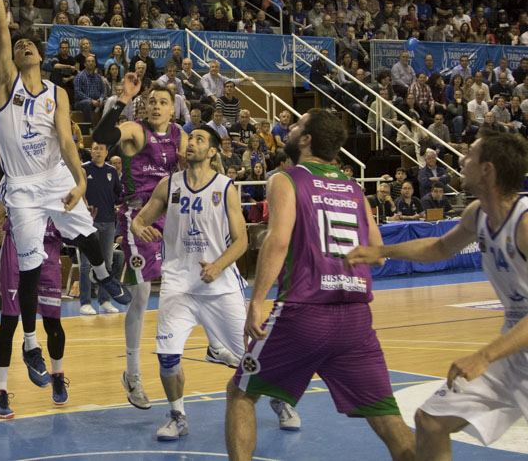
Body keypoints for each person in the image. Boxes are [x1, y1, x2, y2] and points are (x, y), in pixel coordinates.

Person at [0, 0, 128, 392]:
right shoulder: (6, 85)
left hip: (54, 175)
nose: (23, 45)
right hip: (22, 186)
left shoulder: (57, 93)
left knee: (88, 235)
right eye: (18, 44)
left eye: (30, 44)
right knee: (28, 270)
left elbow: (65, 140)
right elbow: (0, 26)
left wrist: (79, 180)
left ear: (41, 56)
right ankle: (29, 344)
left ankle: (103, 276)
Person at [225, 109, 415, 461]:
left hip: (305, 312)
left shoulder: (287, 179)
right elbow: (377, 253)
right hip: (355, 319)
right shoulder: (353, 188)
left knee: (241, 394)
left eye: (296, 125)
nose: (289, 128)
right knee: (389, 419)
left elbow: (278, 241)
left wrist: (256, 301)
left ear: (307, 139)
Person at [347, 132, 528, 458]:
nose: (461, 160)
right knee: (430, 421)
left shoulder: (524, 225)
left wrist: (484, 356)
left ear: (487, 170)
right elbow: (440, 247)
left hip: (505, 350)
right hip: (513, 354)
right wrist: (382, 250)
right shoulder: (478, 214)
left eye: (470, 156)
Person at [130, 126, 251, 441]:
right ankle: (177, 415)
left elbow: (242, 241)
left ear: (212, 151)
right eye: (190, 139)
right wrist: (139, 229)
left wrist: (217, 266)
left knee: (252, 359)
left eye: (199, 139)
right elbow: (139, 220)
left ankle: (280, 401)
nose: (192, 143)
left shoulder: (225, 187)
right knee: (167, 358)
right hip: (178, 284)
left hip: (220, 286)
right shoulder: (169, 184)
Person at [91, 76, 185, 407]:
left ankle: (215, 343)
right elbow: (101, 136)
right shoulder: (135, 130)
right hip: (138, 216)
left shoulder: (179, 135)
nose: (156, 106)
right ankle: (132, 374)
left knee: (187, 287)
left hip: (170, 216)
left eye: (163, 102)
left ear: (173, 109)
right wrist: (121, 100)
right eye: (152, 102)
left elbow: (198, 168)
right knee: (142, 295)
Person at [0, 198, 70, 416]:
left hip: (49, 249)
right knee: (9, 321)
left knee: (53, 322)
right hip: (17, 248)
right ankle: (0, 391)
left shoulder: (64, 182)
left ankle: (57, 375)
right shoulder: (18, 179)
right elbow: (4, 202)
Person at [78, 141, 121, 316]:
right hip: (88, 223)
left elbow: (118, 194)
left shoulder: (112, 171)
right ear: (91, 151)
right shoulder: (82, 169)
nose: (97, 151)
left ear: (106, 152)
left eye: (101, 149)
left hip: (109, 222)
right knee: (86, 264)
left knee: (107, 263)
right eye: (95, 148)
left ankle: (104, 301)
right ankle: (85, 302)